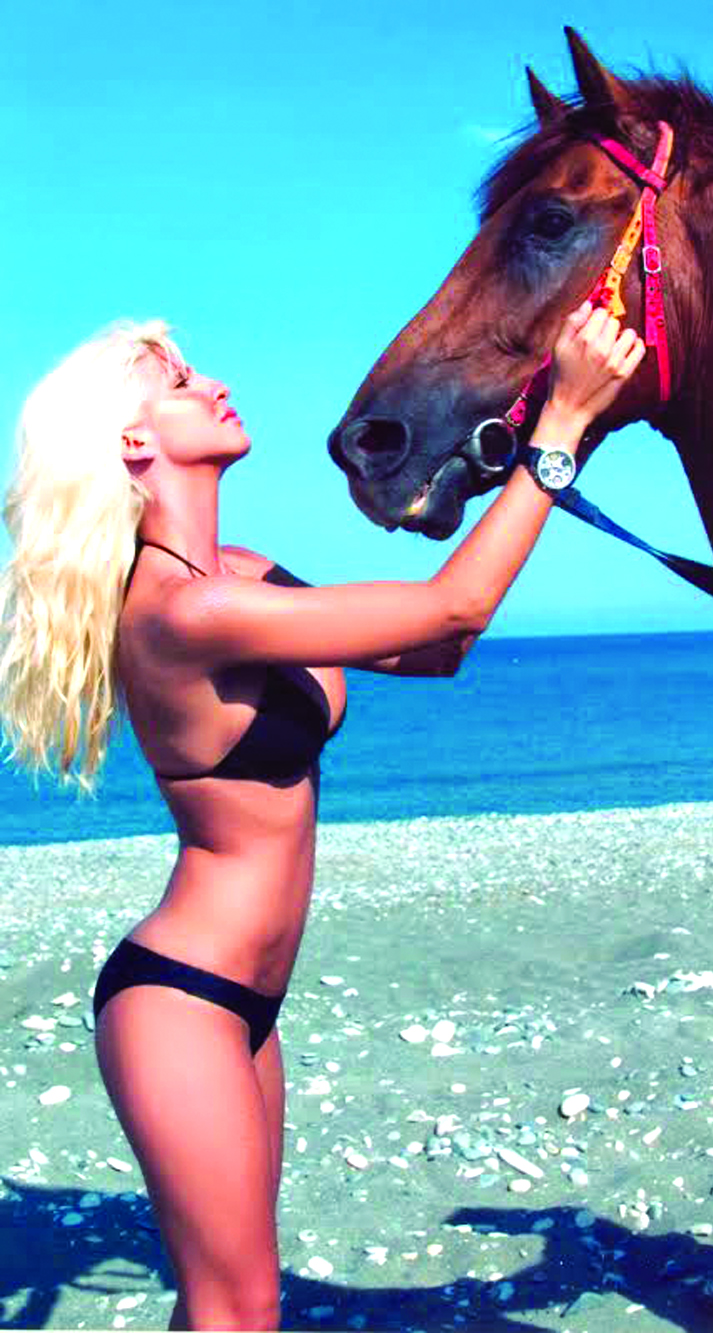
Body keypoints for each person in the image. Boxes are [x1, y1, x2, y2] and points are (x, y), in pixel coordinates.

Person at [0, 302, 644, 1331]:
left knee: (231, 1304)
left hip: (249, 1008)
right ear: (133, 441)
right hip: (178, 1003)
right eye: (180, 383)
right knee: (241, 1306)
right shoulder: (181, 612)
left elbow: (436, 648)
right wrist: (561, 426)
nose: (213, 384)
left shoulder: (244, 574)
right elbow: (456, 604)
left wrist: (532, 432)